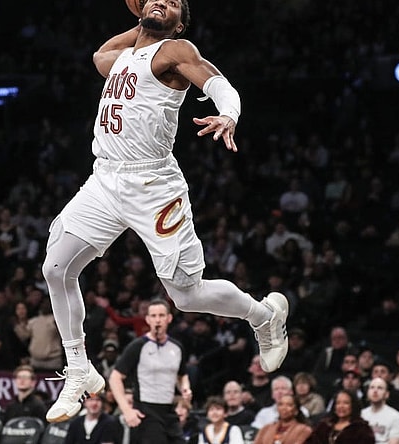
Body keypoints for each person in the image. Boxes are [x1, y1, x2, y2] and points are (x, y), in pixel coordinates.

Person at [41, 0, 288, 423]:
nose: (163, 1)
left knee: (186, 296)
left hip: (153, 185)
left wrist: (229, 113)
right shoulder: (122, 58)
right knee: (55, 268)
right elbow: (98, 55)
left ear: (180, 24)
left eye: (173, 2)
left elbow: (219, 83)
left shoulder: (175, 52)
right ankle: (80, 369)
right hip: (104, 180)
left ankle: (264, 315)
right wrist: (141, 22)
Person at [108, 299, 192, 443]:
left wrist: (185, 387)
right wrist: (126, 410)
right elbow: (115, 378)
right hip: (146, 411)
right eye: (153, 316)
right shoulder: (137, 346)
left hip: (169, 410)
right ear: (147, 319)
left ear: (169, 318)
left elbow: (181, 375)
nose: (157, 320)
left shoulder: (177, 347)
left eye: (161, 315)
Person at [307, 389, 375, 444]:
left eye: (346, 403)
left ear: (353, 406)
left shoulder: (361, 429)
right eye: (338, 403)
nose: (341, 406)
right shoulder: (324, 426)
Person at [361, 377, 399, 444]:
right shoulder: (361, 414)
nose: (375, 391)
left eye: (380, 388)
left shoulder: (396, 417)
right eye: (372, 387)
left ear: (387, 394)